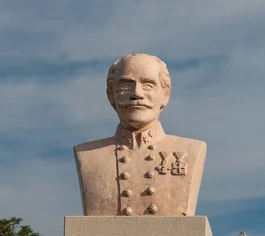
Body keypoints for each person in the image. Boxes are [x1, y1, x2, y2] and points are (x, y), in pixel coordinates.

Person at [74, 53, 206, 216]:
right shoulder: (88, 154)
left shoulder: (191, 150)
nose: (136, 93)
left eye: (148, 85)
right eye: (125, 86)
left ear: (165, 95)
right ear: (111, 95)